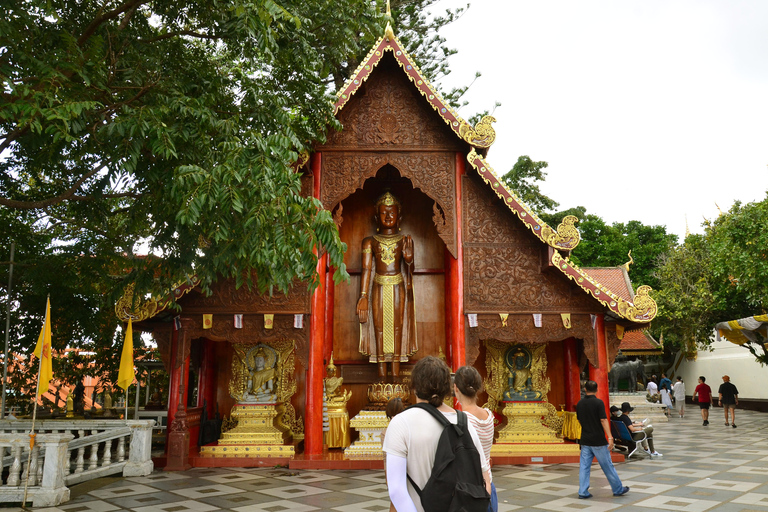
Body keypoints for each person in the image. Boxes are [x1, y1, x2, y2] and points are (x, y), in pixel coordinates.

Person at [383, 356, 491, 512]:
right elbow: (484, 480)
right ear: (448, 388)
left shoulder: (400, 423)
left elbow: (396, 490)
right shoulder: (463, 422)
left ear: (414, 387)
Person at [357, 192, 418, 379]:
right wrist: (363, 296)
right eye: (384, 213)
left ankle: (396, 378)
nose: (388, 216)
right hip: (378, 286)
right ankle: (382, 377)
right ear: (377, 217)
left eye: (392, 212)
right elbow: (366, 269)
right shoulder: (370, 241)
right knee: (379, 329)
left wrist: (409, 260)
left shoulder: (404, 240)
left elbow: (410, 269)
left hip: (398, 285)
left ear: (399, 217)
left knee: (398, 328)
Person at [575, 380, 629, 499]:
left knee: (584, 467)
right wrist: (610, 437)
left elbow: (579, 420)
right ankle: (618, 489)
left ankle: (583, 491)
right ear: (597, 390)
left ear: (585, 389)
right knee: (607, 466)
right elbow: (603, 420)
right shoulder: (598, 403)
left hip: (585, 439)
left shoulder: (579, 404)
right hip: (598, 440)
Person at [454, 365, 497, 512]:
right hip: (489, 483)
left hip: (469, 488)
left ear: (456, 388)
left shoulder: (460, 420)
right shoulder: (489, 415)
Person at [383, 397, 406, 512]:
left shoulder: (385, 431)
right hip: (406, 469)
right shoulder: (406, 428)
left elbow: (385, 458)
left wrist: (387, 477)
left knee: (395, 502)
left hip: (393, 471)